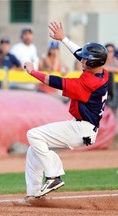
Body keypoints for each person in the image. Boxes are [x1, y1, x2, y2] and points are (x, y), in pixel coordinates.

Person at [20, 21, 109, 205]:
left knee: (33, 134)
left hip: (81, 128)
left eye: (85, 59)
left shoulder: (88, 84)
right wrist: (64, 39)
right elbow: (79, 54)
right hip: (84, 128)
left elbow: (54, 82)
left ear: (92, 63)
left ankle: (54, 175)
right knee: (34, 150)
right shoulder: (101, 73)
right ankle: (34, 195)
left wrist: (32, 72)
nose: (81, 60)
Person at [104, 43, 118, 116]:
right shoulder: (102, 60)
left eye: (111, 51)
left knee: (113, 111)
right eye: (108, 51)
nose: (110, 53)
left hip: (114, 89)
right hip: (104, 88)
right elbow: (102, 68)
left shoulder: (115, 60)